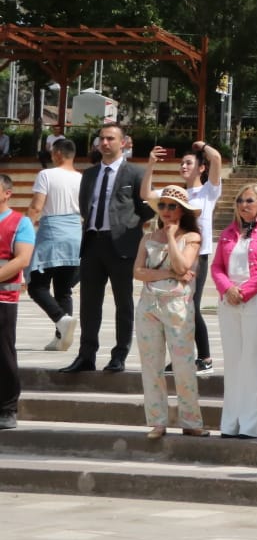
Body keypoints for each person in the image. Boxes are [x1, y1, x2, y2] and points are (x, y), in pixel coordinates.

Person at [64, 121, 153, 374]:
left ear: (123, 142)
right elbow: (85, 205)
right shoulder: (90, 174)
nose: (105, 143)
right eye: (101, 139)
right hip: (93, 243)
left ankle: (119, 355)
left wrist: (129, 227)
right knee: (89, 304)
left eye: (111, 139)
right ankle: (86, 355)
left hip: (122, 246)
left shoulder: (135, 173)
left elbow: (146, 208)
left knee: (123, 302)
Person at [209, 184, 257, 439]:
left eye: (249, 200)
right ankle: (230, 423)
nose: (244, 205)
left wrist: (246, 291)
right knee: (232, 361)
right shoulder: (229, 233)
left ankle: (250, 425)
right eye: (240, 200)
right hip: (229, 300)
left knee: (251, 359)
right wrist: (227, 288)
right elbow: (217, 266)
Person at [132, 185, 207, 439]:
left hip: (177, 306)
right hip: (149, 305)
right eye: (162, 205)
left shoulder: (192, 237)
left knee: (183, 365)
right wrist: (167, 273)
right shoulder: (148, 237)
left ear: (182, 210)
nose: (165, 210)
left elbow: (183, 264)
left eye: (171, 206)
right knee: (151, 365)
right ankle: (158, 421)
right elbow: (138, 272)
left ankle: (191, 420)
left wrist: (173, 238)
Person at [146, 140, 223, 375]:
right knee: (176, 307)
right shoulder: (176, 193)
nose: (183, 166)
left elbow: (217, 159)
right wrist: (150, 165)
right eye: (181, 163)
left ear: (201, 168)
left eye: (189, 162)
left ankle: (205, 358)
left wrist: (204, 146)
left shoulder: (208, 191)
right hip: (175, 254)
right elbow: (147, 194)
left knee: (192, 306)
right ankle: (182, 357)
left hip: (197, 255)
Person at [26, 136, 81, 353]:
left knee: (36, 285)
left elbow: (36, 206)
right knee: (63, 289)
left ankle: (61, 319)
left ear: (57, 153)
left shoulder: (46, 174)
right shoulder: (81, 177)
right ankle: (61, 338)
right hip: (75, 234)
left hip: (52, 233)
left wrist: (23, 228)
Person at [0, 174, 35, 430]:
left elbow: (21, 259)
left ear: (7, 193)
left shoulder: (20, 223)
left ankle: (7, 408)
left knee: (3, 354)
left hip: (3, 298)